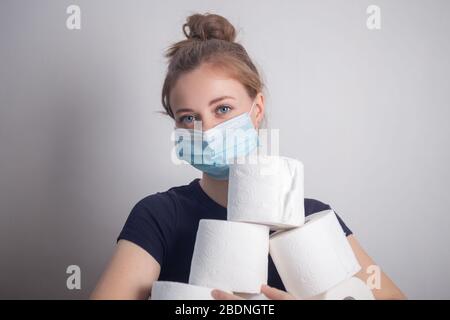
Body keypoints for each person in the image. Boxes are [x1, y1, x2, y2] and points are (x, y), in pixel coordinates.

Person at [91, 12, 406, 300]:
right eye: (188, 117)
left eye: (223, 109)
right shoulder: (159, 217)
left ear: (256, 110)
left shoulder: (311, 220)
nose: (207, 129)